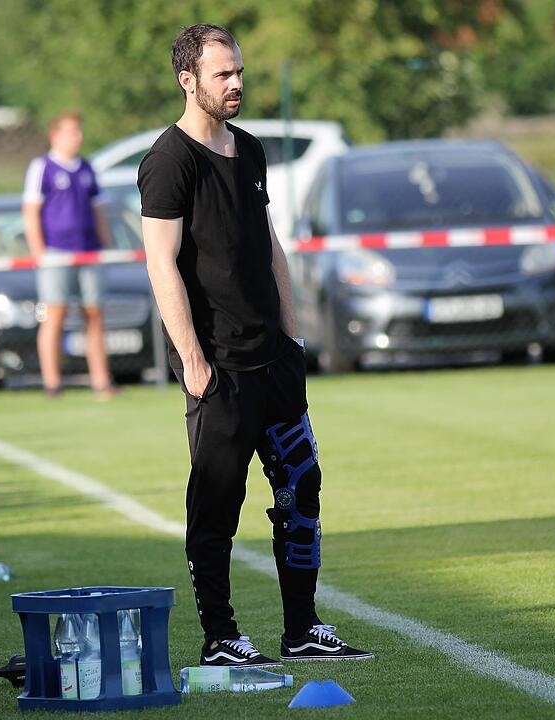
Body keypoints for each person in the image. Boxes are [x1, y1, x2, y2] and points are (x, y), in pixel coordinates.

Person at [137, 24, 372, 665]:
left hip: (275, 362)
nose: (236, 83)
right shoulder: (168, 161)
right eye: (222, 74)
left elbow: (269, 245)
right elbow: (161, 264)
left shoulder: (250, 149)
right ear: (188, 80)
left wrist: (292, 336)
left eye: (239, 71)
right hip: (220, 368)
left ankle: (302, 630)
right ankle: (221, 638)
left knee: (302, 485)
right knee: (216, 505)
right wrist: (194, 364)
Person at [23, 110, 118, 399]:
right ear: (55, 135)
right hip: (56, 253)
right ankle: (52, 382)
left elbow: (98, 211)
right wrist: (39, 252)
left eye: (79, 131)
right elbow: (31, 212)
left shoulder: (87, 168)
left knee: (94, 315)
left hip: (89, 252)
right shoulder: (42, 167)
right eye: (72, 132)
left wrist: (106, 247)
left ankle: (101, 382)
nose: (78, 137)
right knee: (55, 314)